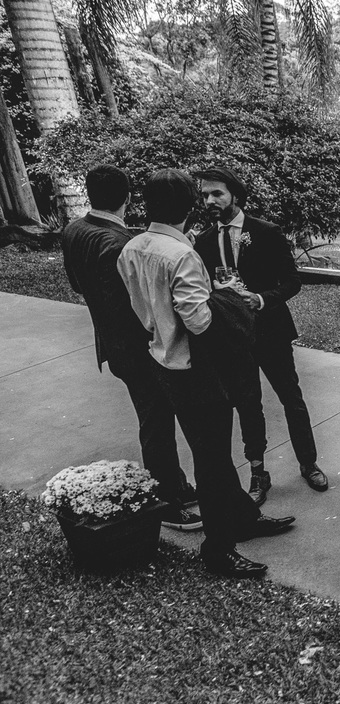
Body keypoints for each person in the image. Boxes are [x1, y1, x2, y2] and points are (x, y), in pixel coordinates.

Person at [117, 169, 295, 579]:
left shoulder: (134, 247)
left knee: (208, 451)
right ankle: (219, 549)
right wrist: (227, 304)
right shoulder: (181, 254)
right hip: (195, 370)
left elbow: (140, 308)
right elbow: (199, 322)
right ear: (188, 206)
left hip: (162, 358)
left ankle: (245, 517)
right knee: (213, 461)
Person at [61, 165, 200, 531]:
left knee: (154, 418)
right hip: (138, 349)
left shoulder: (74, 230)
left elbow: (77, 284)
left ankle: (178, 486)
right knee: (156, 422)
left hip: (111, 344)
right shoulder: (118, 245)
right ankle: (168, 501)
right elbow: (135, 308)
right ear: (127, 198)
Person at [193, 167, 327, 505]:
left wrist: (263, 298)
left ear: (235, 195)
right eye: (205, 194)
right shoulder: (204, 241)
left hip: (271, 331)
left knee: (291, 399)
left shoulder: (266, 232)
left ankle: (308, 463)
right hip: (233, 339)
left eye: (217, 193)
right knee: (247, 404)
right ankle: (258, 471)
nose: (209, 200)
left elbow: (292, 281)